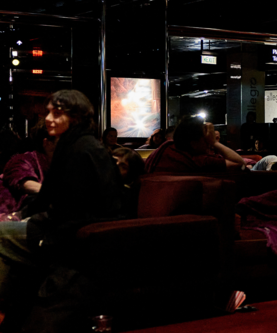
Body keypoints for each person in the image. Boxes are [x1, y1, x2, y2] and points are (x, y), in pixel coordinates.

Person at [0, 90, 126, 321]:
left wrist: (28, 218)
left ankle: (7, 310)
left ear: (75, 117)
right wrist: (23, 214)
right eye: (48, 112)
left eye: (57, 114)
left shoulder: (77, 150)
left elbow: (66, 207)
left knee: (1, 234)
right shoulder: (84, 144)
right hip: (85, 230)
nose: (48, 118)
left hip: (74, 236)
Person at [143, 116, 246, 173]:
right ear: (194, 144)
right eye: (206, 138)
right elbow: (239, 163)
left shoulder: (166, 148)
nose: (208, 142)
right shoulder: (198, 161)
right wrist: (214, 143)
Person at [0, 120, 56, 213]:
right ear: (47, 143)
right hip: (8, 219)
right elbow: (25, 183)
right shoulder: (24, 159)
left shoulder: (60, 164)